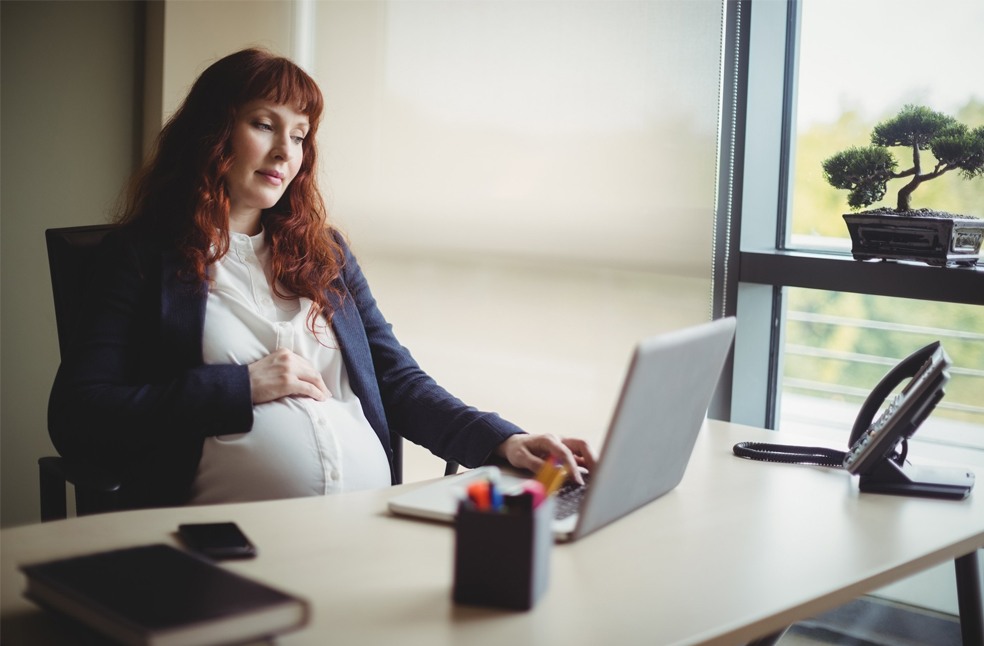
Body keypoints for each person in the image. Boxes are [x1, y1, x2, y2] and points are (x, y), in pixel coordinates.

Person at [48, 48, 595, 510]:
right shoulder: (142, 257)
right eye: (264, 124)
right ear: (213, 133)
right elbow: (78, 416)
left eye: (301, 135)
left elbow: (397, 379)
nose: (287, 151)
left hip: (366, 530)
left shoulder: (324, 253)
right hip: (221, 544)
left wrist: (506, 440)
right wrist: (240, 387)